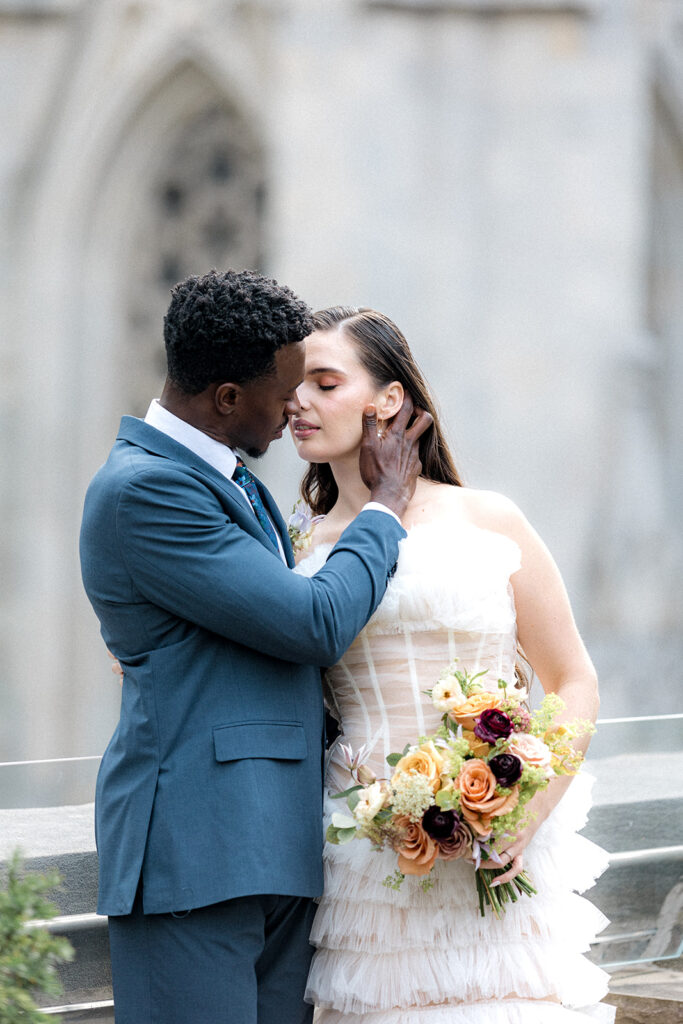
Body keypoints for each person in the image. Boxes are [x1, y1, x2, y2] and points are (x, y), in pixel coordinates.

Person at [79, 271, 431, 1024]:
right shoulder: (144, 489)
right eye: (284, 389)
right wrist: (387, 506)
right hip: (194, 855)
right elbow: (312, 624)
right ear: (229, 398)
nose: (293, 407)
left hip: (278, 848)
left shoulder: (236, 483)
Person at [291, 307, 614, 1023]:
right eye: (291, 384)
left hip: (501, 839)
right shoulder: (295, 550)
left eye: (323, 382)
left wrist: (527, 810)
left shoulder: (487, 518)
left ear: (388, 399)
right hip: (362, 851)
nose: (297, 402)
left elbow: (572, 678)